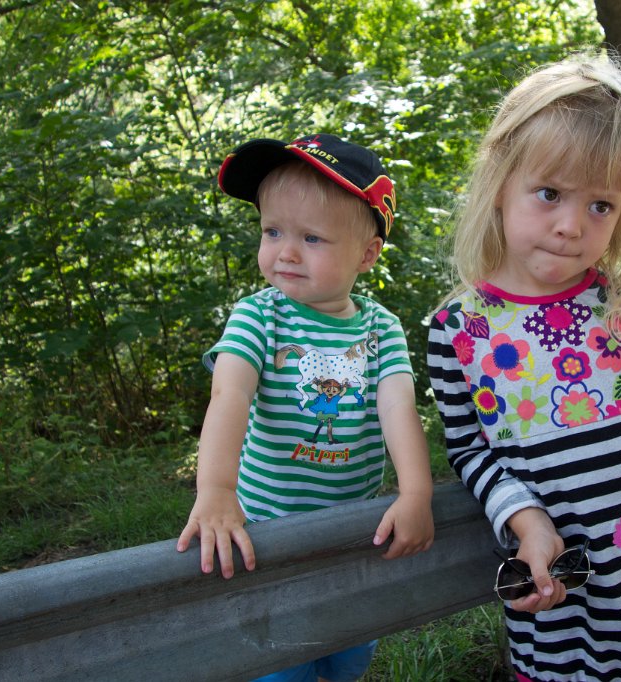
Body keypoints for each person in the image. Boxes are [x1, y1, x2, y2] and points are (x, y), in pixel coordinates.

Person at [426, 55, 621, 681]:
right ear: (500, 180)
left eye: (601, 205)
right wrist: (526, 521)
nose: (571, 226)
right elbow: (469, 451)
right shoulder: (458, 332)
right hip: (567, 598)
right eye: (549, 194)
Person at [177, 133, 435, 682]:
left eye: (311, 237)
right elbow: (229, 396)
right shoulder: (258, 317)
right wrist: (217, 491)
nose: (286, 252)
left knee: (347, 652)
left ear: (366, 254)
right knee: (280, 658)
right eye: (273, 231)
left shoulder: (380, 328)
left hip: (353, 529)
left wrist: (415, 493)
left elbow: (398, 408)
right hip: (264, 529)